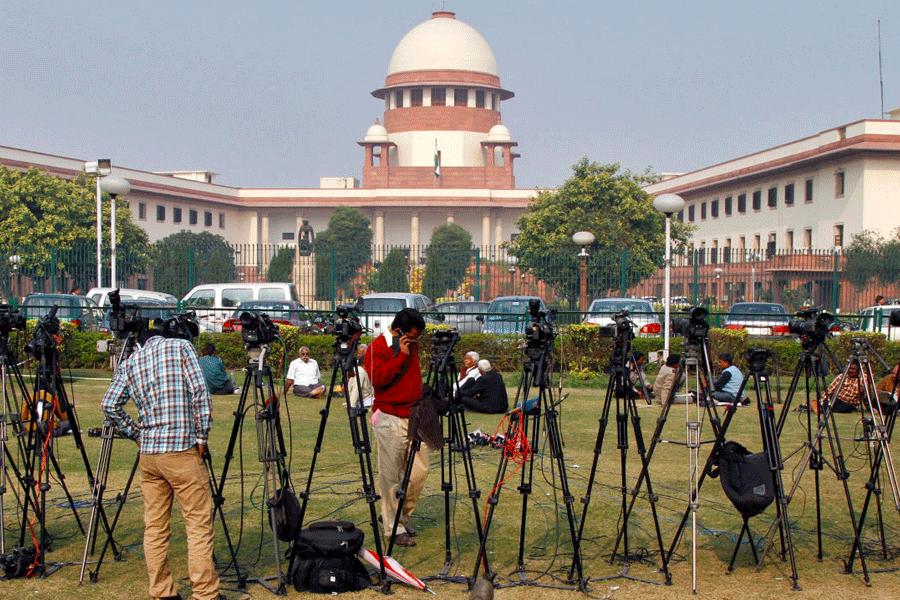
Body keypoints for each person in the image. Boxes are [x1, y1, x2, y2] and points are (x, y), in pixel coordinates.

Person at [101, 317, 223, 600]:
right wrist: (202, 436)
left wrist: (137, 434)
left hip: (150, 454)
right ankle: (205, 593)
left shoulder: (130, 361)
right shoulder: (180, 347)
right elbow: (200, 394)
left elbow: (109, 405)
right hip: (180, 449)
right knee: (197, 524)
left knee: (155, 527)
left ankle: (161, 591)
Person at [362, 307, 428, 548]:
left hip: (414, 414)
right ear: (399, 330)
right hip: (389, 416)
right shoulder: (377, 347)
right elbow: (377, 380)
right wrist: (400, 355)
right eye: (412, 336)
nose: (415, 341)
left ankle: (399, 515)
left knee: (419, 471)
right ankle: (394, 528)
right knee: (390, 477)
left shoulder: (412, 345)